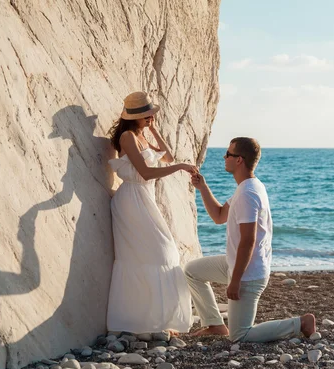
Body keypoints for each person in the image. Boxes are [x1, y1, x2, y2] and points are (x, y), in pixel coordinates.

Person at [186, 137, 316, 342]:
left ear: (239, 160)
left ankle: (301, 323)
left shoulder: (248, 193)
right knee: (192, 271)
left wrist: (235, 281)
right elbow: (219, 216)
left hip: (248, 274)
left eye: (228, 153)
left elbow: (249, 240)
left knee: (239, 336)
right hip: (235, 264)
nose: (224, 156)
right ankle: (215, 324)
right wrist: (202, 187)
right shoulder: (246, 187)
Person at [106, 91, 196, 334]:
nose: (150, 117)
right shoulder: (127, 137)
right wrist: (180, 168)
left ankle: (158, 320)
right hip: (131, 199)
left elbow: (167, 157)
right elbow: (145, 173)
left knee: (164, 254)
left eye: (151, 114)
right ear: (134, 116)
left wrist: (153, 130)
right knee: (154, 254)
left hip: (145, 199)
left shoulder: (141, 136)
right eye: (147, 115)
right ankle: (136, 321)